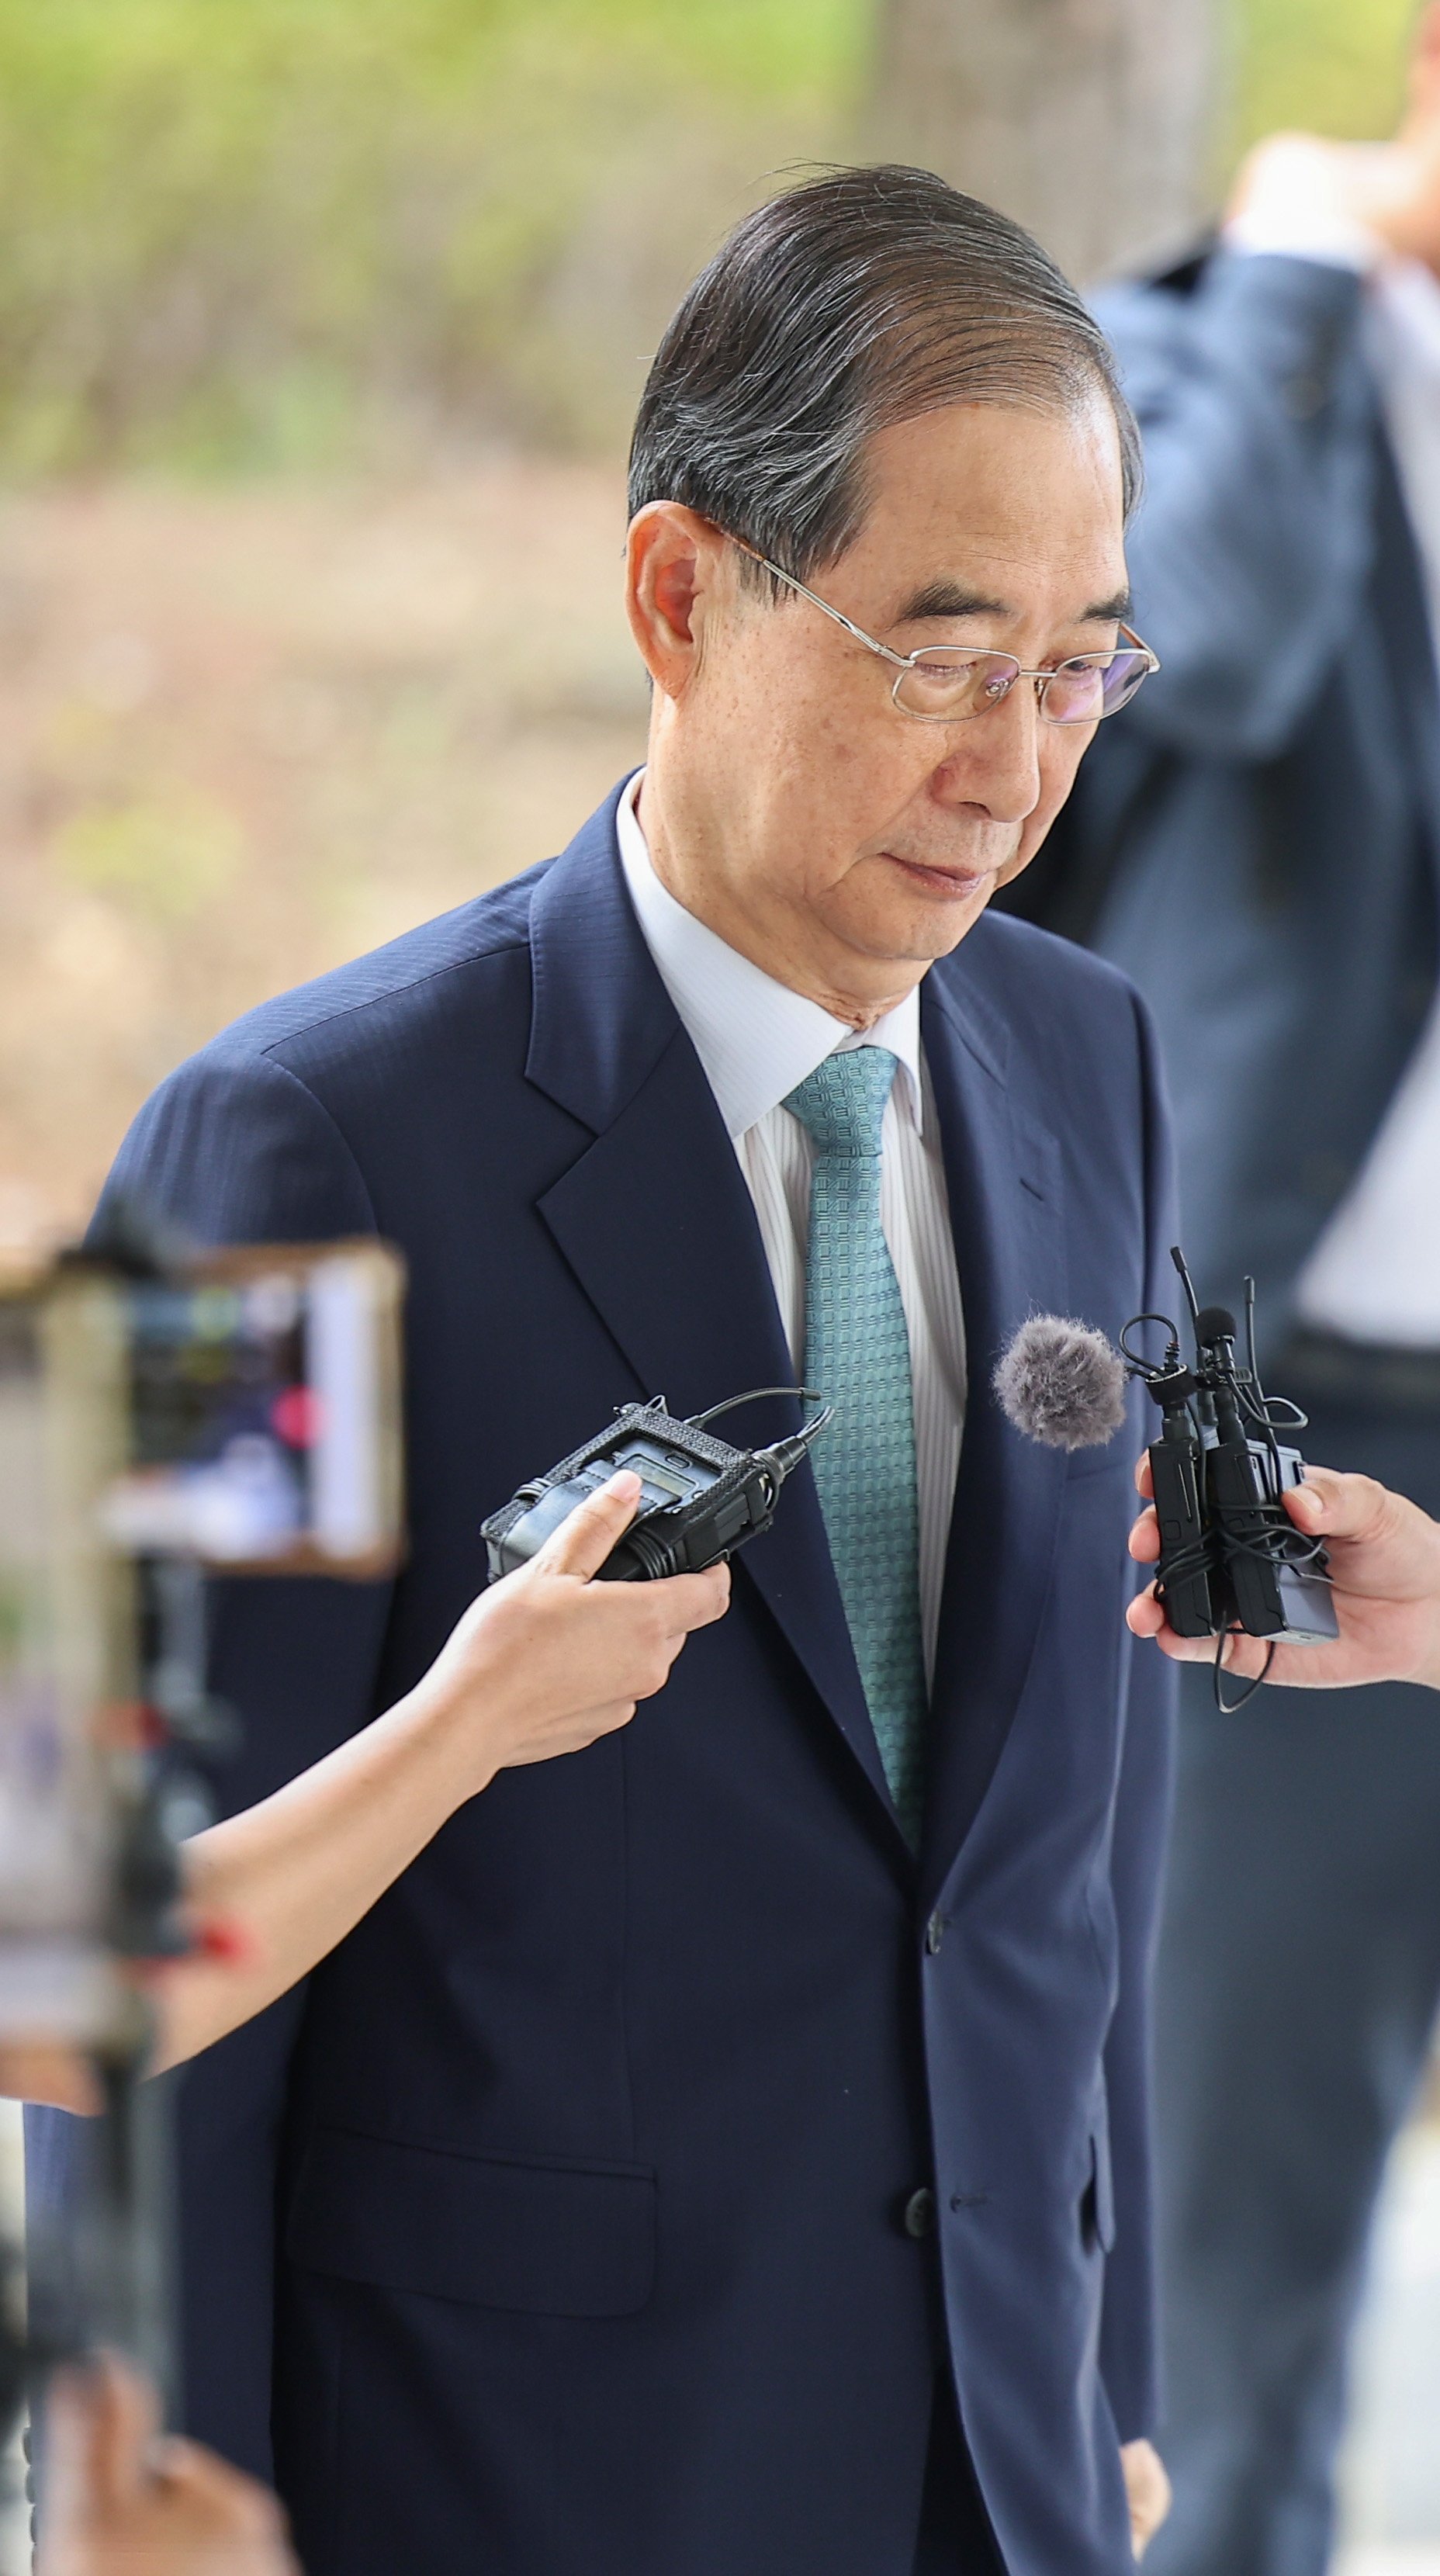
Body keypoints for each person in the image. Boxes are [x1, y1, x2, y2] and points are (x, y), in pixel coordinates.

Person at [32, 167, 1176, 2576]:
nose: (1015, 767)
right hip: (508, 2475)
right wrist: (145, 2487)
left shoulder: (1093, 1060)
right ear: (679, 594)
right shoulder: (269, 1154)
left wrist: (1113, 2363)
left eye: (1083, 666)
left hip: (999, 2471)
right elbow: (101, 1927)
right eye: (943, 655)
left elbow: (1083, 1791)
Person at [993, 10, 1440, 2569]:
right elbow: (1231, 633)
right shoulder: (1190, 347)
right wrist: (1288, 272)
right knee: (1236, 2268)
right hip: (1295, 1428)